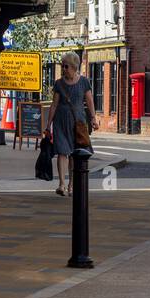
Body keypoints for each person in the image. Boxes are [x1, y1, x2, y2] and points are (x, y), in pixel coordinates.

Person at [44, 51, 97, 196]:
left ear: (74, 67)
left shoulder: (84, 82)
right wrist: (48, 125)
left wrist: (93, 118)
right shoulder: (59, 84)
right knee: (62, 152)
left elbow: (90, 100)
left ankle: (71, 185)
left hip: (77, 122)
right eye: (62, 66)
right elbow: (54, 105)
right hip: (60, 121)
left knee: (75, 154)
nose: (63, 69)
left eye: (66, 66)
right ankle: (61, 184)